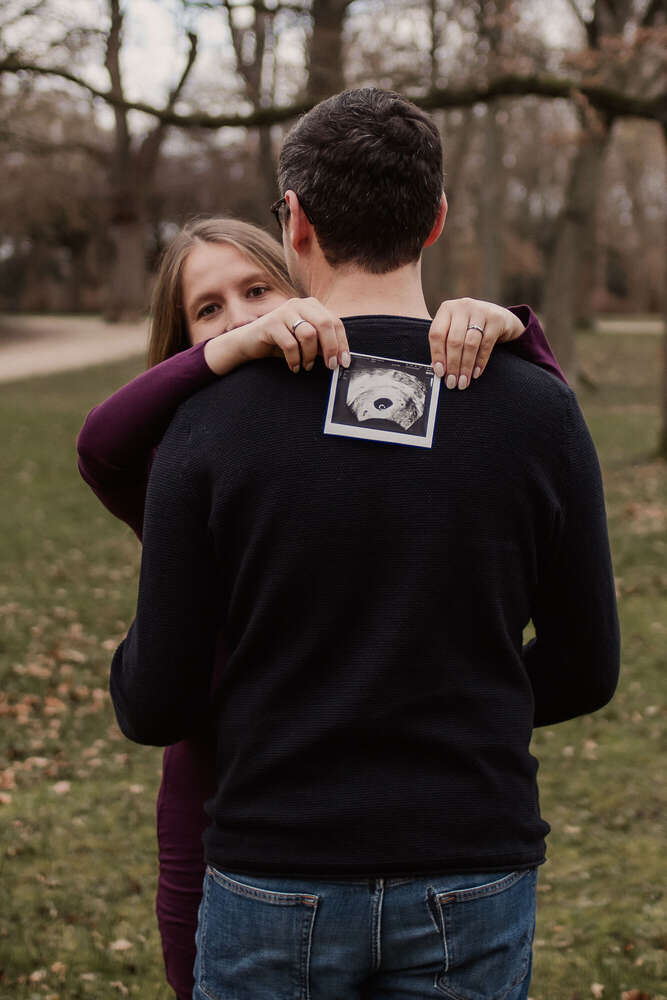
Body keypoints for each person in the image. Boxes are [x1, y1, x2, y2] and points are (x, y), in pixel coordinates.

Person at [108, 87, 620, 997]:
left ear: (294, 222)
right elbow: (584, 668)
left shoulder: (209, 421)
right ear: (436, 219)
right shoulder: (538, 409)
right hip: (471, 858)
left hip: (275, 866)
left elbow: (157, 704)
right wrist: (456, 705)